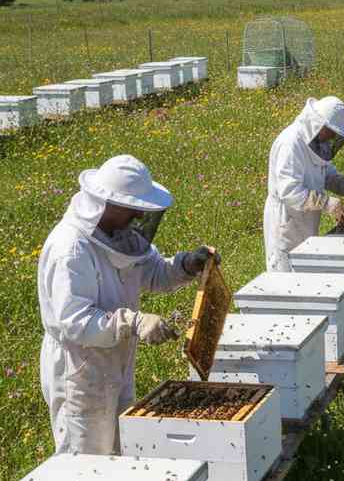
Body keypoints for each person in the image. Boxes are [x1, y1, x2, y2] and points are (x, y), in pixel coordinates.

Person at [38, 155, 215, 456]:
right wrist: (133, 322)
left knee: (120, 448)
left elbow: (152, 272)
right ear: (109, 204)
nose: (138, 215)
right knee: (85, 457)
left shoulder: (122, 238)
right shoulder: (71, 249)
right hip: (80, 367)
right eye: (132, 208)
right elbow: (75, 321)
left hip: (116, 357)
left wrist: (186, 265)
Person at [264, 95, 344, 272]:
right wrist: (325, 203)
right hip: (286, 221)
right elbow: (289, 192)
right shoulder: (290, 144)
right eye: (331, 130)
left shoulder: (318, 143)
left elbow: (326, 173)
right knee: (285, 274)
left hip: (306, 218)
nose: (333, 135)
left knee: (306, 272)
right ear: (318, 124)